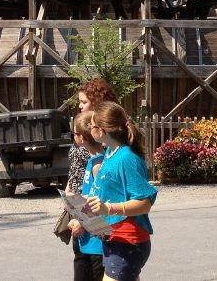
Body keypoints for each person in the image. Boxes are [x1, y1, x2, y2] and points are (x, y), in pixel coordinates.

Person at [85, 101, 157, 281]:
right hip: (112, 237)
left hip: (127, 242)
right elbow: (110, 189)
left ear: (101, 131)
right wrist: (88, 199)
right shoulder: (110, 152)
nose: (89, 128)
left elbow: (144, 203)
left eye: (91, 125)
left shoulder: (126, 158)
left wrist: (108, 208)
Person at [67, 79, 117, 278]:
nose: (80, 105)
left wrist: (83, 219)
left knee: (93, 269)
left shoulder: (102, 152)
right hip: (80, 209)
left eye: (84, 101)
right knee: (81, 262)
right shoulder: (93, 155)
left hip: (90, 217)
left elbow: (101, 193)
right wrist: (69, 195)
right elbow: (75, 169)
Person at [67, 111, 105, 281]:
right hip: (89, 239)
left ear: (81, 138)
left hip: (97, 242)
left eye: (73, 133)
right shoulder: (91, 161)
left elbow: (102, 203)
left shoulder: (98, 165)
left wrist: (81, 220)